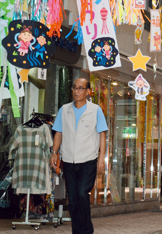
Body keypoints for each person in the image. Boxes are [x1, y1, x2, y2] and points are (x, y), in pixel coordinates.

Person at [51, 78, 108, 234]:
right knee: (74, 199)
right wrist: (54, 153)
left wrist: (101, 158)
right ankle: (78, 231)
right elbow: (58, 132)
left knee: (82, 192)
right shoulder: (64, 109)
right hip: (69, 160)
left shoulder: (95, 110)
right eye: (74, 87)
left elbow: (102, 134)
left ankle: (86, 230)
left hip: (88, 160)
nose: (76, 91)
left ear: (88, 92)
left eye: (80, 88)